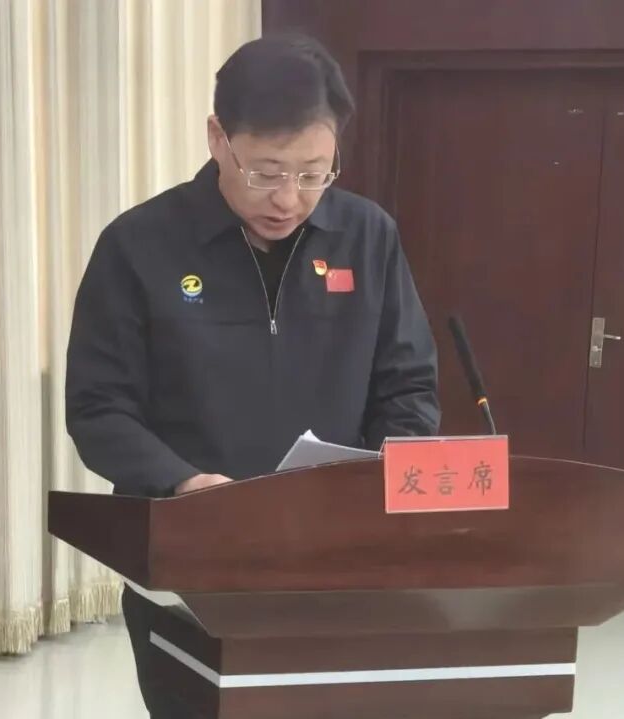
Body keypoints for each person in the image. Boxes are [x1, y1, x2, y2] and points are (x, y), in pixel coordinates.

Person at [64, 33, 440, 719]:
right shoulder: (139, 246)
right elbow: (98, 407)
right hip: (192, 567)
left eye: (314, 173)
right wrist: (185, 483)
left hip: (339, 562)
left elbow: (407, 386)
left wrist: (387, 473)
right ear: (218, 138)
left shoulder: (368, 237)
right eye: (266, 172)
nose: (289, 198)